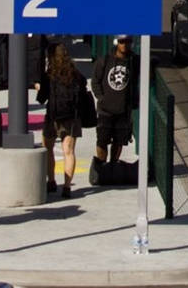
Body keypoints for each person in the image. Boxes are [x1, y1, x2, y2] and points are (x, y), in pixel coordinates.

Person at [36, 42, 85, 199]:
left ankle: (51, 181)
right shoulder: (76, 75)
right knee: (69, 152)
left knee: (48, 148)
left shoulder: (49, 75)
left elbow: (41, 99)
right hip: (72, 118)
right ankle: (67, 186)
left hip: (53, 117)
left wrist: (39, 88)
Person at [90, 35, 138, 169]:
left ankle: (113, 165)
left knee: (119, 140)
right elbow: (95, 81)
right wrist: (101, 98)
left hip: (123, 110)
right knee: (102, 140)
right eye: (122, 42)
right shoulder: (105, 60)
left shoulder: (134, 60)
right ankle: (101, 166)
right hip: (105, 110)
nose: (125, 45)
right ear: (117, 43)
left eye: (128, 42)